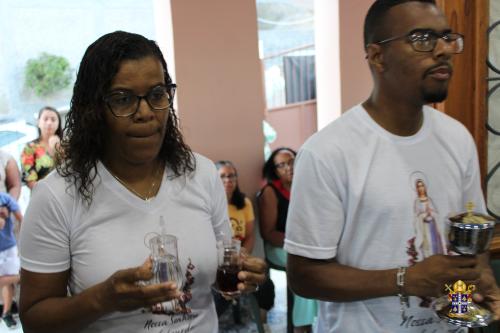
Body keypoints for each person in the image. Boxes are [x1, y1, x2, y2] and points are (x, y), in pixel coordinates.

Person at [18, 31, 266, 333]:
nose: (146, 113)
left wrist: (241, 275)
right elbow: (34, 318)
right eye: (123, 99)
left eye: (157, 94)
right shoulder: (57, 196)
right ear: (91, 109)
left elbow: (219, 270)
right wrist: (103, 299)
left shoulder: (200, 174)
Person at [284, 1, 500, 332]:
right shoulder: (328, 152)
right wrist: (405, 280)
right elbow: (305, 276)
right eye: (423, 38)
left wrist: (479, 281)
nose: (443, 50)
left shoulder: (456, 138)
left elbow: (469, 246)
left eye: (446, 37)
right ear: (376, 56)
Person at [259, 147, 316, 333]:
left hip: (306, 246)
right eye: (281, 165)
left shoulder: (308, 185)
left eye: (291, 161)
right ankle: (302, 326)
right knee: (306, 270)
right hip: (279, 248)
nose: (288, 167)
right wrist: (300, 244)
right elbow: (269, 233)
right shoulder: (270, 191)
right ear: (275, 170)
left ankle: (319, 320)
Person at [213, 161, 274, 330]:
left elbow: (249, 235)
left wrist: (242, 255)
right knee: (220, 293)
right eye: (223, 176)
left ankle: (262, 322)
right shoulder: (211, 205)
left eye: (231, 175)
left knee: (266, 282)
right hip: (220, 260)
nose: (228, 180)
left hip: (240, 257)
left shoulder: (244, 203)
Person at [0, 149, 22, 324]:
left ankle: (6, 312)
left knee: (7, 270)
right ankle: (22, 277)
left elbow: (15, 185)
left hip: (4, 228)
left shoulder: (5, 157)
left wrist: (7, 205)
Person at [21, 106, 63, 190]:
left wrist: (59, 149)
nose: (49, 123)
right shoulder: (30, 148)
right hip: (43, 195)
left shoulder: (66, 145)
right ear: (38, 122)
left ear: (58, 123)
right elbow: (29, 180)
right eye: (45, 119)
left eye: (53, 119)